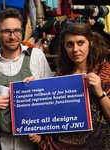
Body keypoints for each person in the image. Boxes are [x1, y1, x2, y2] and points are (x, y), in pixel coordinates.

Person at [0, 8, 53, 150]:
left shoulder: (36, 56)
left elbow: (51, 100)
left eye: (16, 30)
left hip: (33, 142)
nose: (12, 36)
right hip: (1, 142)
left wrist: (43, 132)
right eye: (6, 31)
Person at [30, 21, 110, 149]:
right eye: (69, 44)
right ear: (64, 47)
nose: (75, 50)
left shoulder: (104, 72)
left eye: (80, 43)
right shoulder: (60, 75)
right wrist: (32, 88)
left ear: (90, 42)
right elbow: (52, 117)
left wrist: (100, 93)